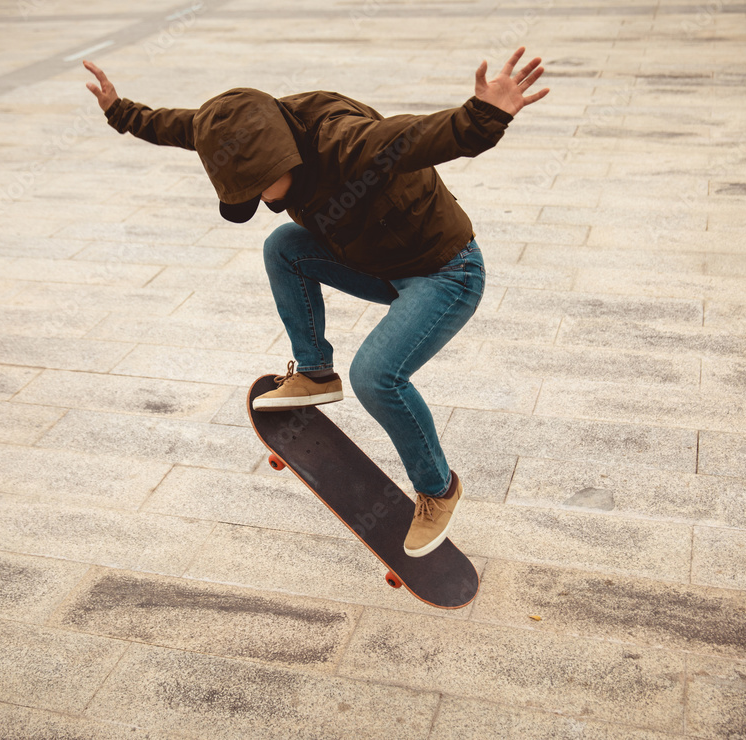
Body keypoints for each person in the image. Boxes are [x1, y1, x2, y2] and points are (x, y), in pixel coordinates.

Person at [84, 49, 548, 557]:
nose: (262, 199)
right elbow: (181, 126)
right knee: (282, 245)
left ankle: (438, 489)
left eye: (261, 186)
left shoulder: (344, 141)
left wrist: (485, 115)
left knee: (376, 376)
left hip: (445, 271)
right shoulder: (244, 127)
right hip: (381, 265)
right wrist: (118, 111)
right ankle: (315, 370)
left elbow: (419, 136)